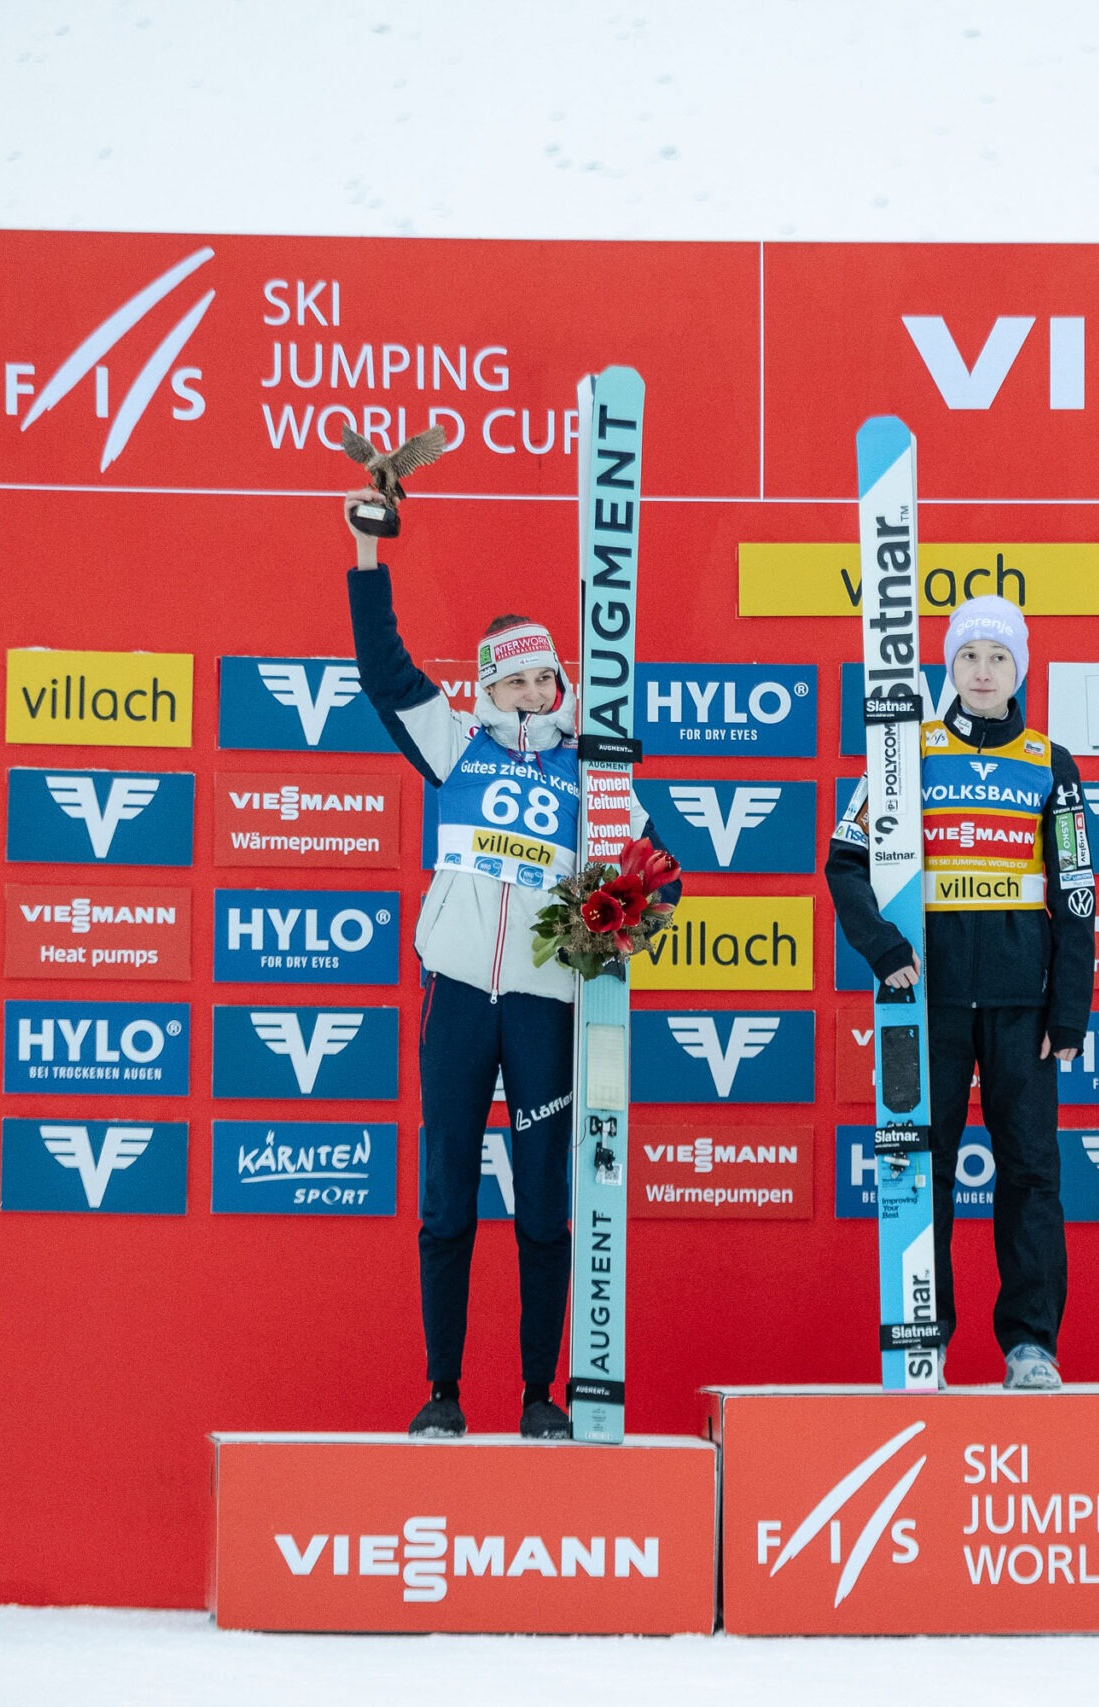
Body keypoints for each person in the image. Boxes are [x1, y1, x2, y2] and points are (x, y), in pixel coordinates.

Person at [341, 487, 677, 1440]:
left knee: (542, 1202)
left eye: (545, 679)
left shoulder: (592, 771)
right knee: (447, 1193)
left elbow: (664, 875)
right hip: (456, 995)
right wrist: (367, 558)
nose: (533, 694)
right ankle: (442, 1391)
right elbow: (383, 670)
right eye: (516, 681)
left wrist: (615, 920)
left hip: (541, 1004)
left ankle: (540, 1393)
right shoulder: (453, 746)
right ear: (487, 688)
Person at [827, 595, 1096, 1391]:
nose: (984, 671)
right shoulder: (905, 752)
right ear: (949, 666)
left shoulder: (1052, 763)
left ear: (1021, 669)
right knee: (921, 1170)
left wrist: (1069, 1010)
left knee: (1032, 1173)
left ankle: (1031, 1345)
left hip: (1023, 1006)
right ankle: (923, 1342)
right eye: (970, 657)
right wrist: (884, 949)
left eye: (999, 657)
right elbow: (845, 860)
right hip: (926, 1002)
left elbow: (1076, 890)